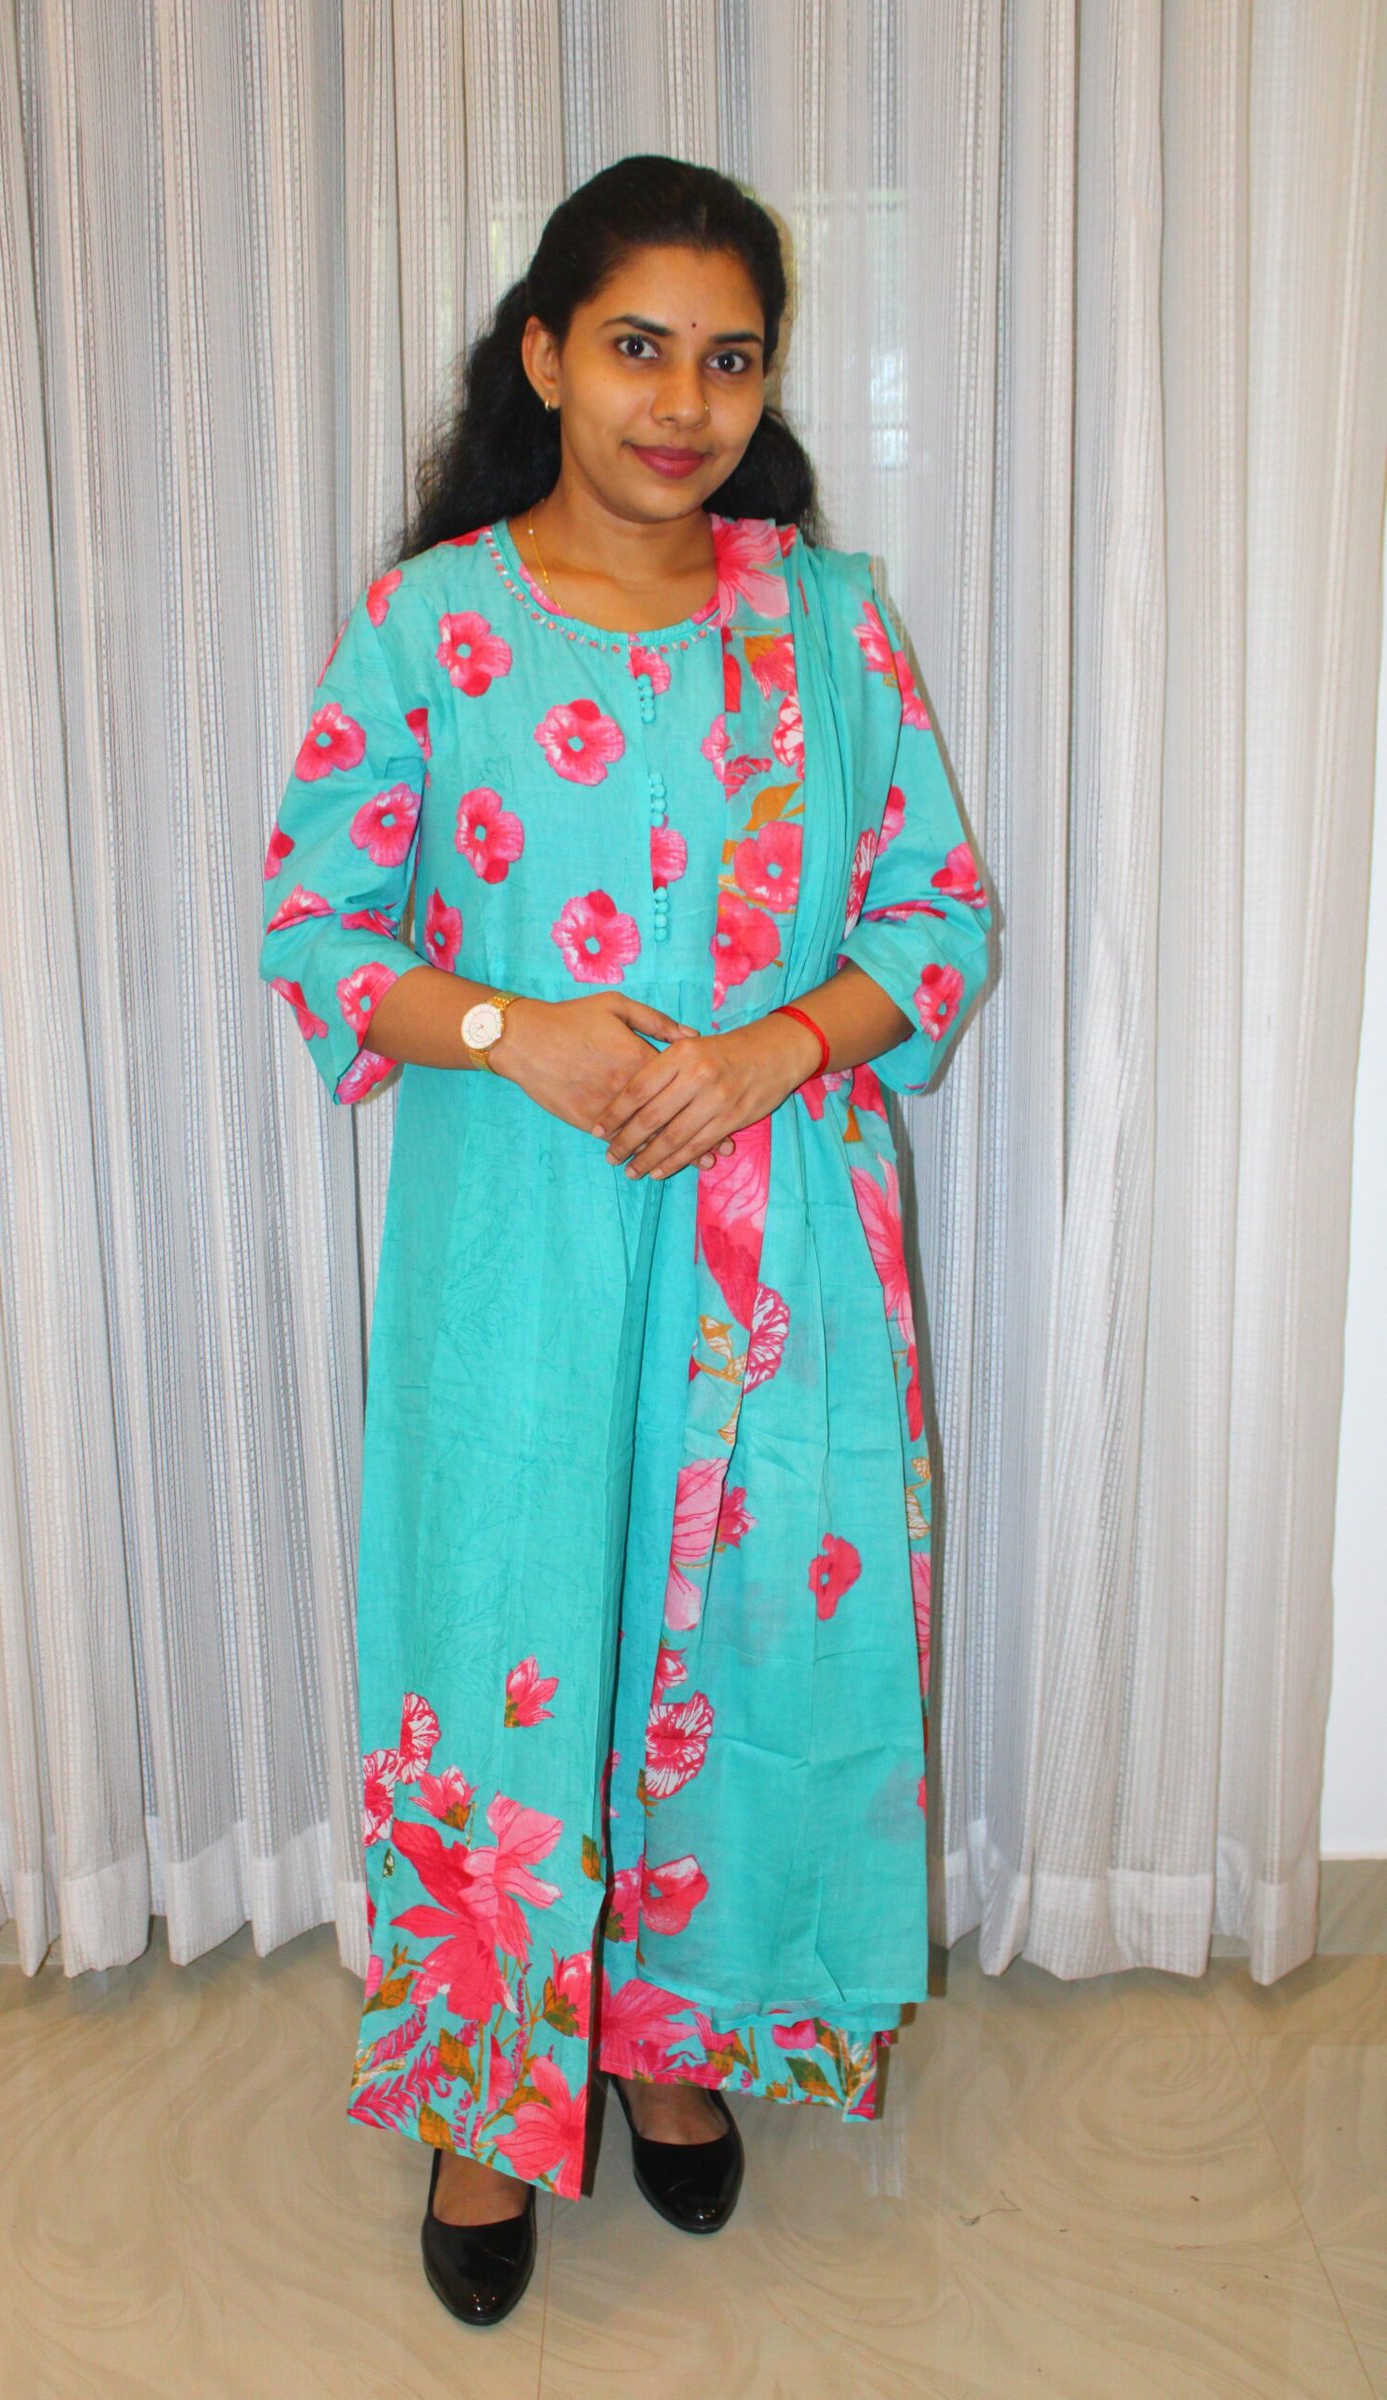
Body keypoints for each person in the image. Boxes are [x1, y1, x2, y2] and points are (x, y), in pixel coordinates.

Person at [259, 154, 993, 2327]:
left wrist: (772, 1047)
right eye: (639, 348)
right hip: (521, 1252)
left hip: (780, 1263)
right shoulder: (433, 626)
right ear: (546, 355)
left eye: (730, 357)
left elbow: (935, 919)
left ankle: (676, 2047)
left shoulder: (827, 626)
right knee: (507, 1644)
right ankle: (488, 2102)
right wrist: (519, 1028)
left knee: (743, 1651)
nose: (684, 403)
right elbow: (316, 927)